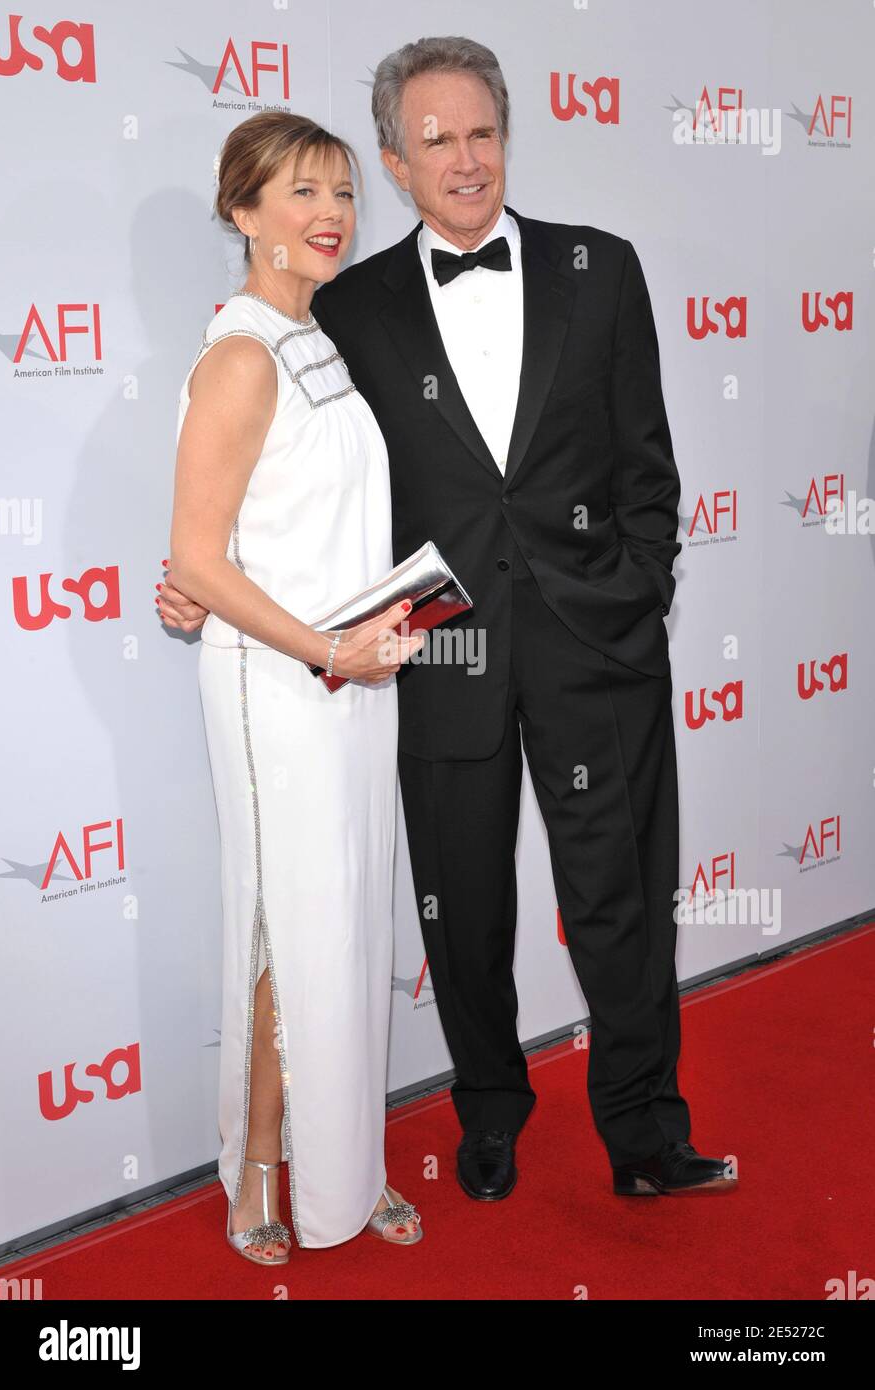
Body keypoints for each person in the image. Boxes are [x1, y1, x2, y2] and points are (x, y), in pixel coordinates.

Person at [162, 37, 736, 1205]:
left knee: (621, 901)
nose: (464, 160)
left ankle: (643, 1132)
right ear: (394, 159)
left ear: (505, 138)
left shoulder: (602, 269)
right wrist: (194, 572)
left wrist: (639, 598)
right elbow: (275, 460)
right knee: (463, 911)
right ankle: (489, 1114)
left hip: (596, 651)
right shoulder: (350, 308)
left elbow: (648, 469)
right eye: (435, 141)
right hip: (439, 659)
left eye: (481, 133)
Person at [168, 110, 427, 1262]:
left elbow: (277, 524)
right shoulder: (236, 354)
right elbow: (198, 560)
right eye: (301, 193)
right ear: (243, 211)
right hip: (282, 690)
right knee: (290, 929)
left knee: (347, 921)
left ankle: (342, 1162)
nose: (330, 214)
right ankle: (260, 1168)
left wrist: (365, 638)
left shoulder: (313, 337)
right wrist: (326, 652)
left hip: (351, 678)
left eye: (341, 193)